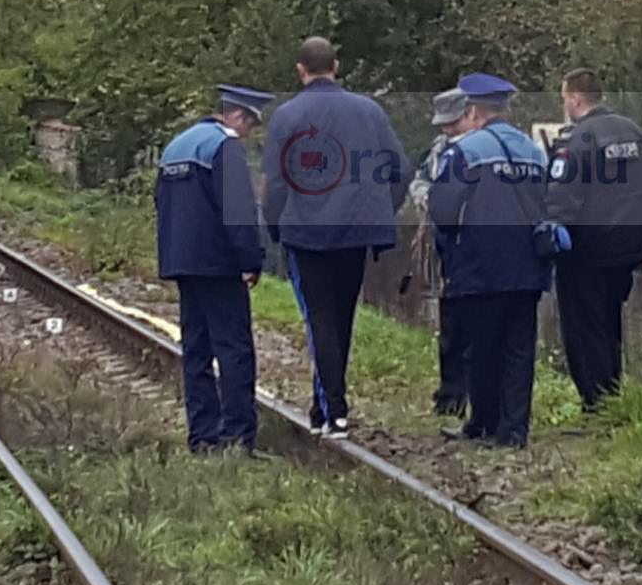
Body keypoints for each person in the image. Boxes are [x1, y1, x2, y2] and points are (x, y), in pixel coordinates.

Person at [262, 37, 408, 438]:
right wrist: (379, 210)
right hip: (357, 230)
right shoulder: (369, 111)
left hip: (307, 231)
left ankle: (333, 409)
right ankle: (324, 402)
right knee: (340, 315)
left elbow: (275, 183)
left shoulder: (287, 115)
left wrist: (275, 227)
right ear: (336, 66)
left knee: (319, 317)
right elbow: (399, 169)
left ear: (300, 69)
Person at [428, 73, 550, 449]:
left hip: (479, 265)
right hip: (529, 264)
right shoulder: (533, 150)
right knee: (519, 348)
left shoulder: (465, 151)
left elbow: (443, 210)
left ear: (474, 110)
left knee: (481, 347)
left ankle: (482, 424)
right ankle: (515, 431)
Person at [155, 84, 273, 453]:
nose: (248, 134)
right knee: (234, 349)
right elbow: (238, 209)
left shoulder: (177, 145)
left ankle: (202, 434)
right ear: (238, 116)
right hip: (219, 266)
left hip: (182, 263)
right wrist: (250, 261)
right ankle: (238, 436)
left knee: (196, 350)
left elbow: (161, 203)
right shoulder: (224, 146)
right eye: (250, 126)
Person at [545, 69, 642, 412]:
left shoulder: (577, 140)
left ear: (575, 99)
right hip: (628, 246)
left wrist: (551, 234)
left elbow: (562, 196)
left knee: (583, 326)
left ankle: (596, 401)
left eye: (565, 98)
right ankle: (613, 393)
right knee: (609, 321)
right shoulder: (634, 132)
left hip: (586, 249)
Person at [409, 86, 467, 416]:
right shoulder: (439, 148)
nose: (446, 129)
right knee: (449, 322)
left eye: (452, 123)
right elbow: (420, 178)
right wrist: (424, 196)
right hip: (444, 244)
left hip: (470, 246)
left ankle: (468, 394)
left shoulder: (474, 149)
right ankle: (451, 393)